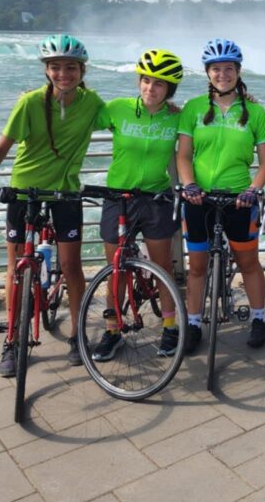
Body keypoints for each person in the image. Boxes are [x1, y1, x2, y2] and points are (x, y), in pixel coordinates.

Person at [0, 34, 104, 376]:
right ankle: (12, 338)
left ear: (82, 70)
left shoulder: (92, 103)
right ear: (46, 70)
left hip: (65, 194)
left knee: (72, 266)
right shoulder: (30, 102)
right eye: (55, 67)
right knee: (16, 266)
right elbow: (3, 147)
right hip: (23, 193)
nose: (63, 74)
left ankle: (77, 334)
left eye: (70, 67)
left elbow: (127, 118)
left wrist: (170, 108)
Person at [176, 38, 265, 353]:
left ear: (238, 71)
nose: (223, 74)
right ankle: (193, 324)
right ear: (207, 73)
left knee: (248, 263)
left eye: (229, 68)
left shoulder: (255, 112)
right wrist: (189, 185)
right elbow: (183, 155)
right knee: (197, 266)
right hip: (199, 199)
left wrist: (253, 189)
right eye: (216, 69)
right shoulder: (193, 108)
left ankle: (258, 318)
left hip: (239, 200)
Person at [91, 49, 184, 362]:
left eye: (159, 84)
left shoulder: (177, 116)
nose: (150, 88)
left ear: (169, 89)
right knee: (115, 269)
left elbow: (209, 119)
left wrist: (246, 97)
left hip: (157, 198)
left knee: (162, 267)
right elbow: (79, 116)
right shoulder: (118, 109)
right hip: (118, 198)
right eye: (145, 80)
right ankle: (112, 330)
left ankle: (170, 326)